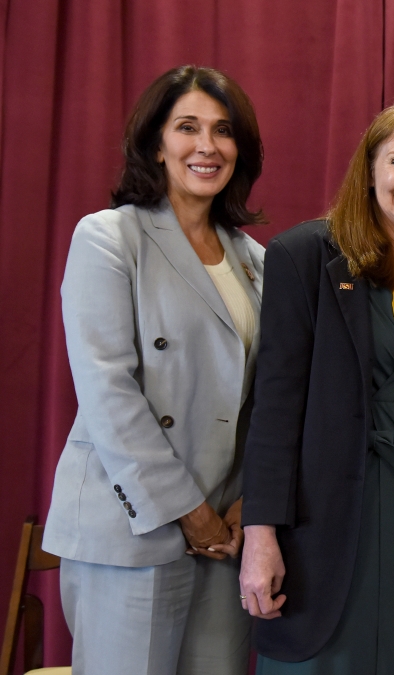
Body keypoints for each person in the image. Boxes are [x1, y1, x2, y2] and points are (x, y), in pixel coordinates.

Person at [238, 101, 394, 673]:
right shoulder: (304, 257)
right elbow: (274, 407)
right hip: (328, 514)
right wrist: (259, 535)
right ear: (369, 169)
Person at [42, 65, 266, 675]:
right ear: (155, 142)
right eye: (186, 127)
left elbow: (267, 396)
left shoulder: (256, 260)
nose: (206, 146)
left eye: (223, 130)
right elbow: (107, 388)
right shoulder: (110, 237)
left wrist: (252, 496)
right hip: (134, 526)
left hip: (224, 534)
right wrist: (184, 509)